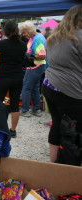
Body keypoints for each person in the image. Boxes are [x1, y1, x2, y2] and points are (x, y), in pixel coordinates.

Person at [42, 5, 82, 163]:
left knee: (57, 123)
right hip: (70, 90)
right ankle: (71, 167)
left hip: (50, 85)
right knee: (75, 130)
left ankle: (53, 163)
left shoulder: (55, 36)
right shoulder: (78, 37)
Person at [0, 21, 27, 138]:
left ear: (4, 31)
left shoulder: (0, 44)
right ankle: (13, 130)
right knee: (15, 105)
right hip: (17, 77)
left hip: (3, 77)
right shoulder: (23, 44)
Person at [20, 21, 46, 117]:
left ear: (29, 30)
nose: (24, 35)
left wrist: (31, 57)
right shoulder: (36, 37)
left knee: (26, 88)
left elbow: (42, 55)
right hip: (38, 66)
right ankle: (36, 109)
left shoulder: (37, 39)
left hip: (35, 66)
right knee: (35, 88)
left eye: (24, 32)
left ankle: (25, 110)